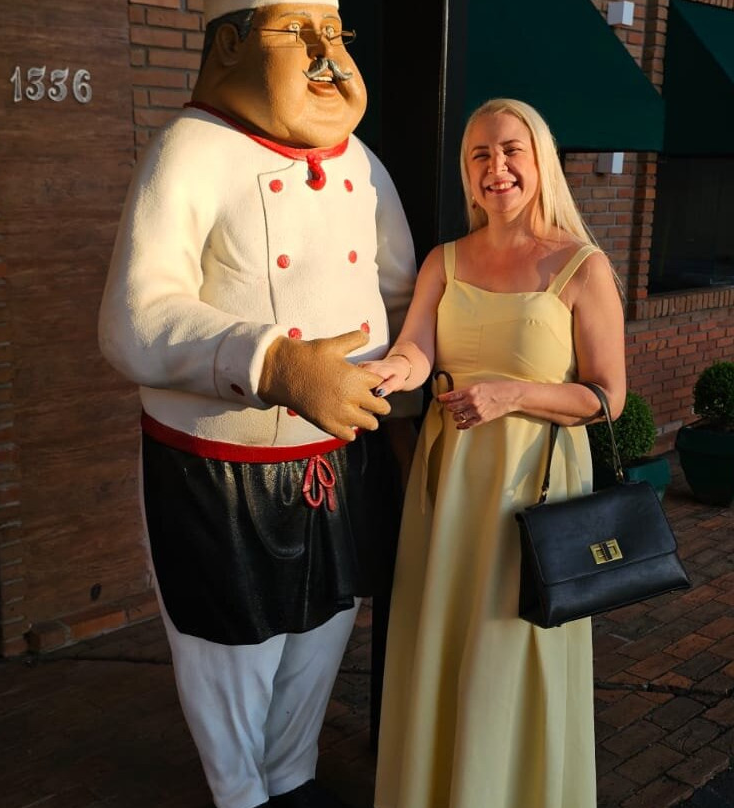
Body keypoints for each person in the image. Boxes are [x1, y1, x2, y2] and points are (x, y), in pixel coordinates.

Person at [97, 2, 419, 807]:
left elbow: (401, 291)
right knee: (230, 648)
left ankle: (292, 776)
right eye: (295, 31)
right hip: (220, 469)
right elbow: (134, 316)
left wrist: (412, 376)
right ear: (230, 45)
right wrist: (272, 362)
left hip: (340, 455)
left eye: (333, 33)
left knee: (323, 630)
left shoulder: (362, 163)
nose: (324, 54)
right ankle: (241, 794)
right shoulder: (190, 149)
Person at [364, 98, 627, 808]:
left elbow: (607, 397)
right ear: (467, 171)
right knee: (444, 636)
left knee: (510, 641)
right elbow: (416, 351)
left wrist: (513, 395)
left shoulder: (581, 266)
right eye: (480, 154)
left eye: (512, 150)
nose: (496, 167)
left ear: (540, 162)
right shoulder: (444, 261)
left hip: (535, 486)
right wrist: (385, 372)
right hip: (450, 483)